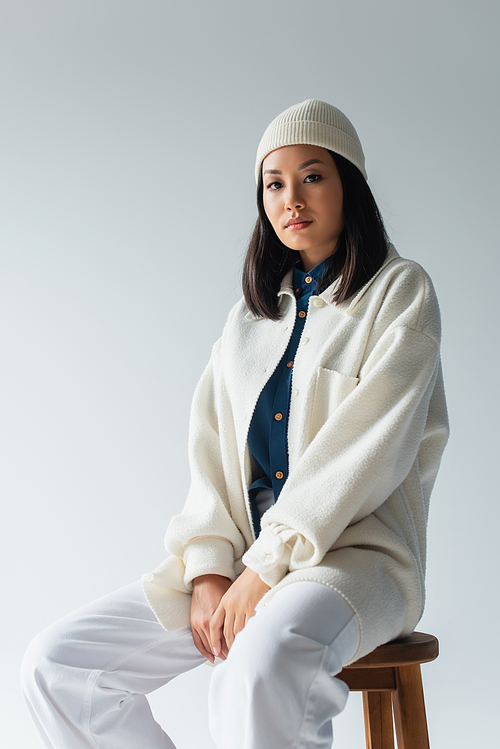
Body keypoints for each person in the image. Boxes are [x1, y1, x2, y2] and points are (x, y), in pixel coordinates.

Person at [21, 99, 449, 749]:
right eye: (273, 183)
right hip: (245, 564)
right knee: (58, 666)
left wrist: (264, 567)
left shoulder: (399, 292)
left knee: (255, 669)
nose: (291, 197)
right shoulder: (249, 323)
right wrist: (210, 571)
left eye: (312, 175)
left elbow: (365, 454)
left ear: (348, 185)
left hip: (355, 562)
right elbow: (213, 461)